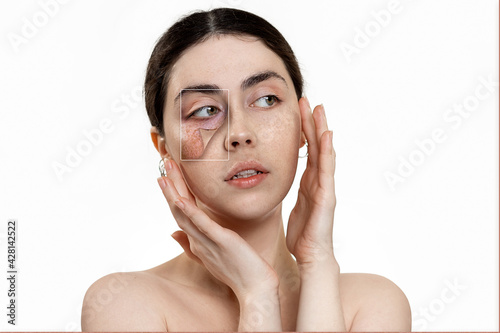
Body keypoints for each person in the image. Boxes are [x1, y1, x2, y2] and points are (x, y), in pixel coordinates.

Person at [81, 7, 411, 332]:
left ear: (302, 125)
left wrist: (317, 261)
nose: (239, 133)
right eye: (205, 110)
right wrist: (256, 294)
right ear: (165, 148)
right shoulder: (125, 305)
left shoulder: (372, 304)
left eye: (266, 100)